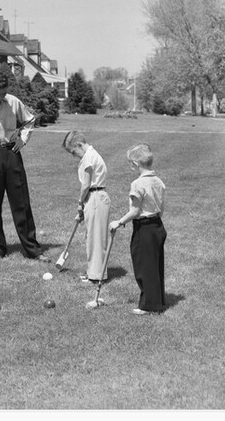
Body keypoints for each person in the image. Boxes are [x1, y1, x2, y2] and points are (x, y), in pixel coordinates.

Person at [0, 69, 49, 262]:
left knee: (21, 202)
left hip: (12, 153)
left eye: (3, 93)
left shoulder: (13, 102)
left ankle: (32, 248)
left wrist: (23, 139)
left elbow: (30, 120)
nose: (0, 97)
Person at [109, 143, 167, 314]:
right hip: (157, 226)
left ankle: (149, 305)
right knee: (155, 265)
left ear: (135, 164)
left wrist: (118, 222)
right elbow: (161, 207)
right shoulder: (159, 181)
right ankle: (157, 300)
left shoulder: (137, 184)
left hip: (144, 229)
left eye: (130, 163)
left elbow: (135, 211)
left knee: (144, 266)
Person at [62, 130, 112, 283]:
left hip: (95, 197)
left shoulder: (88, 157)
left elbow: (86, 185)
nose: (73, 155)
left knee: (96, 238)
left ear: (79, 145)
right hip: (97, 197)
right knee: (93, 237)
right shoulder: (92, 154)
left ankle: (96, 276)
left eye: (73, 151)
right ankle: (94, 272)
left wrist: (80, 203)